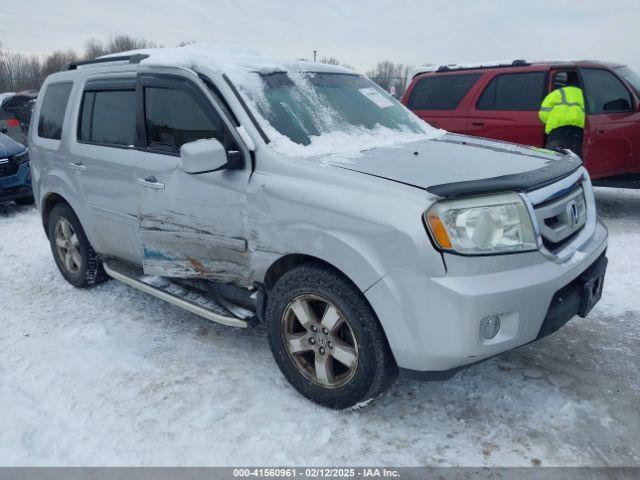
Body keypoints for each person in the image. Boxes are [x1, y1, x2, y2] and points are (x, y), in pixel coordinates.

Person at [539, 72, 585, 158]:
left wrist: (552, 121)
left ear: (566, 82)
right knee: (573, 163)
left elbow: (543, 114)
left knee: (553, 161)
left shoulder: (556, 93)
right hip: (577, 134)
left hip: (556, 133)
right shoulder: (585, 95)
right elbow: (591, 116)